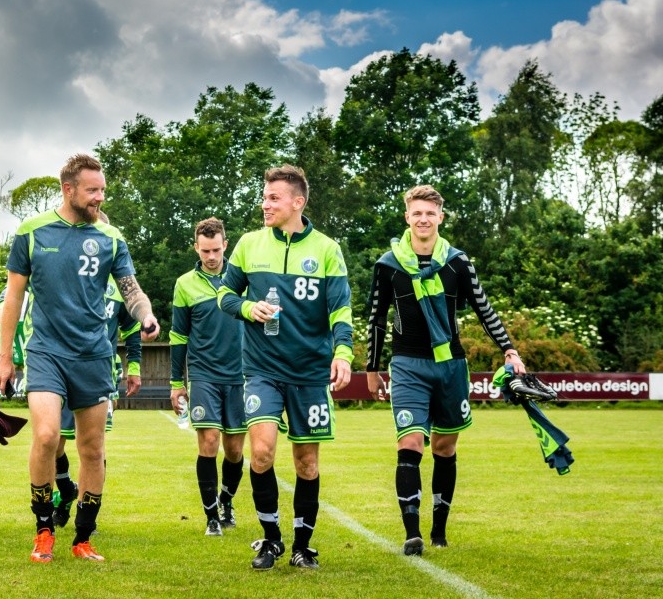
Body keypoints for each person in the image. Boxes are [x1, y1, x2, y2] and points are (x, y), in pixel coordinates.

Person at [0, 153, 160, 564]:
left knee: (91, 447)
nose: (99, 197)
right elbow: (13, 297)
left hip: (93, 355)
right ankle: (44, 529)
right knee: (48, 436)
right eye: (92, 190)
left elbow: (130, 289)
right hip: (47, 351)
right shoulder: (31, 232)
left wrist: (147, 314)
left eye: (102, 189)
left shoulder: (112, 237)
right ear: (68, 190)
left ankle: (83, 537)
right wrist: (4, 357)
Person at [365, 185, 527, 556]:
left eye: (430, 213)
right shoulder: (388, 265)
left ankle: (439, 530)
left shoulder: (458, 262)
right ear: (407, 217)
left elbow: (485, 309)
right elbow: (375, 319)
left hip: (450, 365)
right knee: (410, 441)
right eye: (417, 213)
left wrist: (509, 349)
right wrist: (372, 368)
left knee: (444, 445)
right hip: (407, 364)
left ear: (440, 217)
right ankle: (412, 532)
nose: (423, 219)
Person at [217, 165, 353, 571]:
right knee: (260, 452)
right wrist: (246, 307)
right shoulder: (247, 245)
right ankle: (271, 540)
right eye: (264, 196)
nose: (265, 204)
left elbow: (340, 308)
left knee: (307, 462)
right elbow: (224, 293)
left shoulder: (328, 249)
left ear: (298, 202)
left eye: (274, 197)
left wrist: (342, 352)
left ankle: (302, 545)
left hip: (310, 372)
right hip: (261, 367)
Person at [170, 216, 246, 537]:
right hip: (203, 374)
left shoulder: (243, 279)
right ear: (196, 247)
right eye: (205, 251)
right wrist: (177, 383)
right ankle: (212, 517)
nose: (211, 256)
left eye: (216, 249)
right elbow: (178, 336)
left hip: (241, 376)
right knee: (209, 442)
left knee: (235, 450)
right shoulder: (184, 284)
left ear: (225, 245)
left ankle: (226, 500)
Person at [54, 273, 142, 529]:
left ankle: (86, 510)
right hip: (60, 368)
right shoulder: (71, 276)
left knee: (93, 445)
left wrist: (134, 367)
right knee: (53, 441)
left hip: (100, 373)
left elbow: (132, 327)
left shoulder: (120, 287)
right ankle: (66, 489)